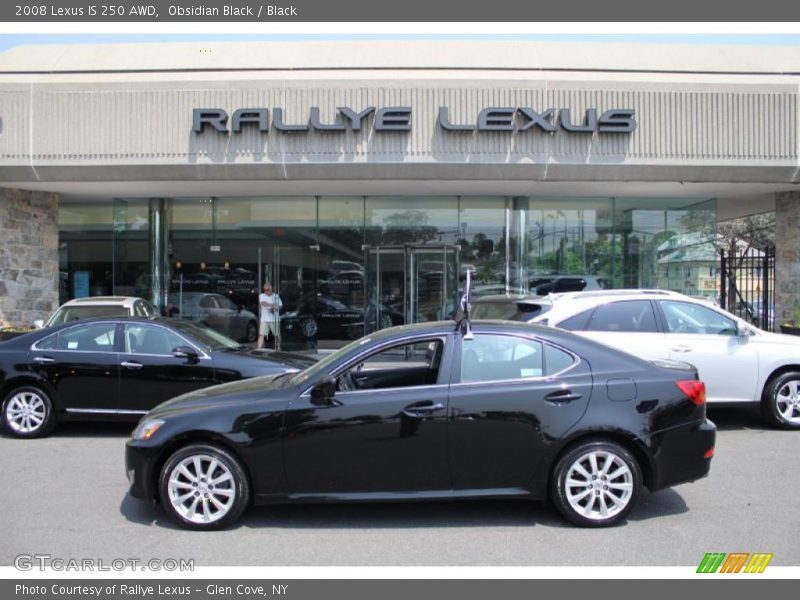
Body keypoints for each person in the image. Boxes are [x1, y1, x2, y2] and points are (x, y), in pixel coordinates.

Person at [257, 282, 282, 349]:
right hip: (264, 319)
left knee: (277, 335)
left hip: (274, 319)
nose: (266, 291)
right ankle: (259, 349)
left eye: (267, 290)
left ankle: (278, 347)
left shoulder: (276, 296)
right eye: (264, 290)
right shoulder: (262, 295)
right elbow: (263, 303)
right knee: (261, 334)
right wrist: (273, 305)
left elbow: (280, 306)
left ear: (271, 289)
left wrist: (275, 307)